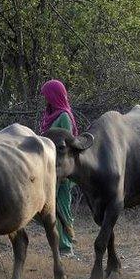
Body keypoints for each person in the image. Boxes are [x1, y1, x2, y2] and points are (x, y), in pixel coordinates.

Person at [39, 79, 78, 256]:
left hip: (62, 169)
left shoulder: (64, 116)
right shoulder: (50, 115)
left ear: (54, 96)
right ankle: (58, 244)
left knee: (62, 206)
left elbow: (67, 145)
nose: (45, 100)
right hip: (48, 168)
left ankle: (66, 247)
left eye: (47, 96)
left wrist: (62, 171)